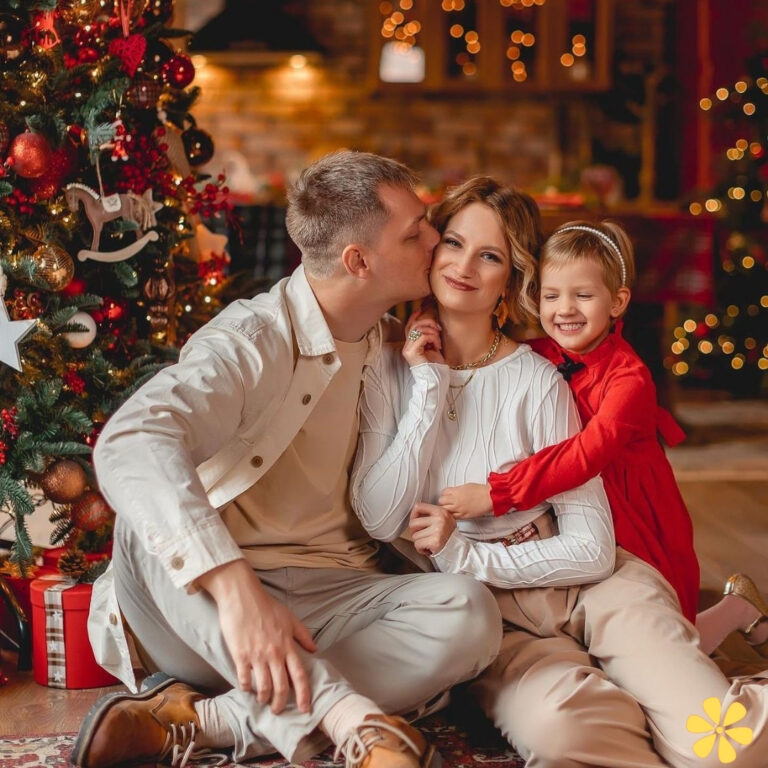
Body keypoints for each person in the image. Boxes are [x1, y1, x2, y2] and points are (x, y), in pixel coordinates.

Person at [72, 150, 503, 768]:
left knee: (470, 613)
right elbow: (130, 440)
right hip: (207, 614)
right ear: (359, 261)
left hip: (339, 599)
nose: (436, 242)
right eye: (416, 233)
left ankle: (202, 722)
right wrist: (238, 591)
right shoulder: (250, 340)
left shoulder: (404, 345)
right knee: (144, 528)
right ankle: (349, 719)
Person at [351, 176, 768, 768]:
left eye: (489, 255)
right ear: (430, 248)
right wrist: (428, 386)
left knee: (728, 746)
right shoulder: (386, 367)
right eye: (453, 243)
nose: (464, 265)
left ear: (511, 278)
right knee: (566, 737)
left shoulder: (539, 378)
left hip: (598, 590)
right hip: (498, 624)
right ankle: (656, 700)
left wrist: (471, 556)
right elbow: (377, 515)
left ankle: (690, 703)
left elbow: (594, 548)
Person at [438, 219, 768, 653]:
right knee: (597, 619)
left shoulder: (629, 380)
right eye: (552, 296)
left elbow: (586, 454)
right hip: (571, 505)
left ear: (617, 302)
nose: (565, 309)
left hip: (629, 508)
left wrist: (496, 494)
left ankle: (737, 609)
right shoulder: (537, 353)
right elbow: (484, 347)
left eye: (584, 295)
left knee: (662, 632)